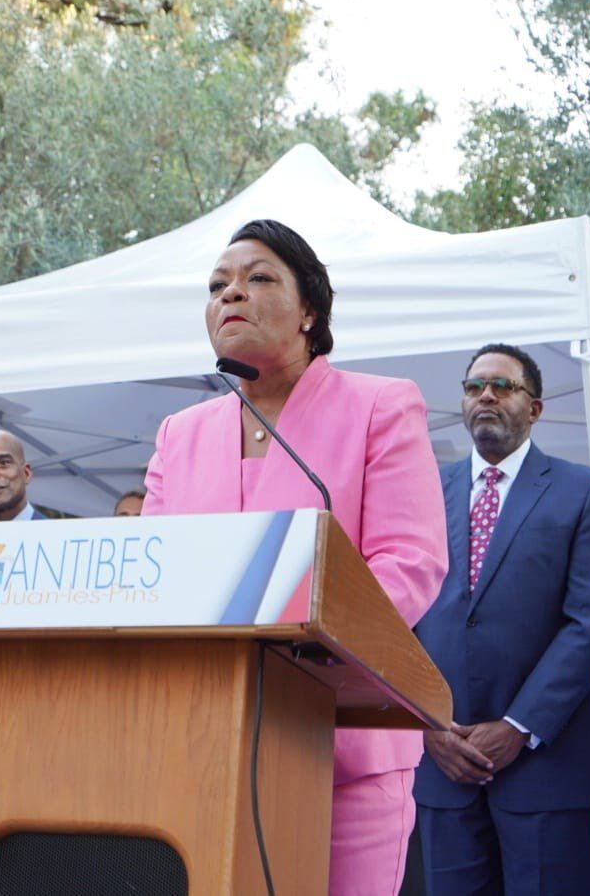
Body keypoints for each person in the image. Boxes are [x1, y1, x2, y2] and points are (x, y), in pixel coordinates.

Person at [142, 220, 448, 895]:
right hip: (201, 746)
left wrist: (301, 633)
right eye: (218, 284)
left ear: (310, 308)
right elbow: (150, 573)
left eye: (258, 279)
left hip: (342, 749)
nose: (232, 295)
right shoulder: (179, 434)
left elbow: (410, 561)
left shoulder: (379, 406)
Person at [411, 343, 590, 895]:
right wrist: (427, 723)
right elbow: (397, 615)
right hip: (444, 764)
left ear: (534, 408)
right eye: (473, 386)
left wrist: (518, 726)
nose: (486, 395)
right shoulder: (421, 495)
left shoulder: (583, 492)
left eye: (503, 386)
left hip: (545, 770)